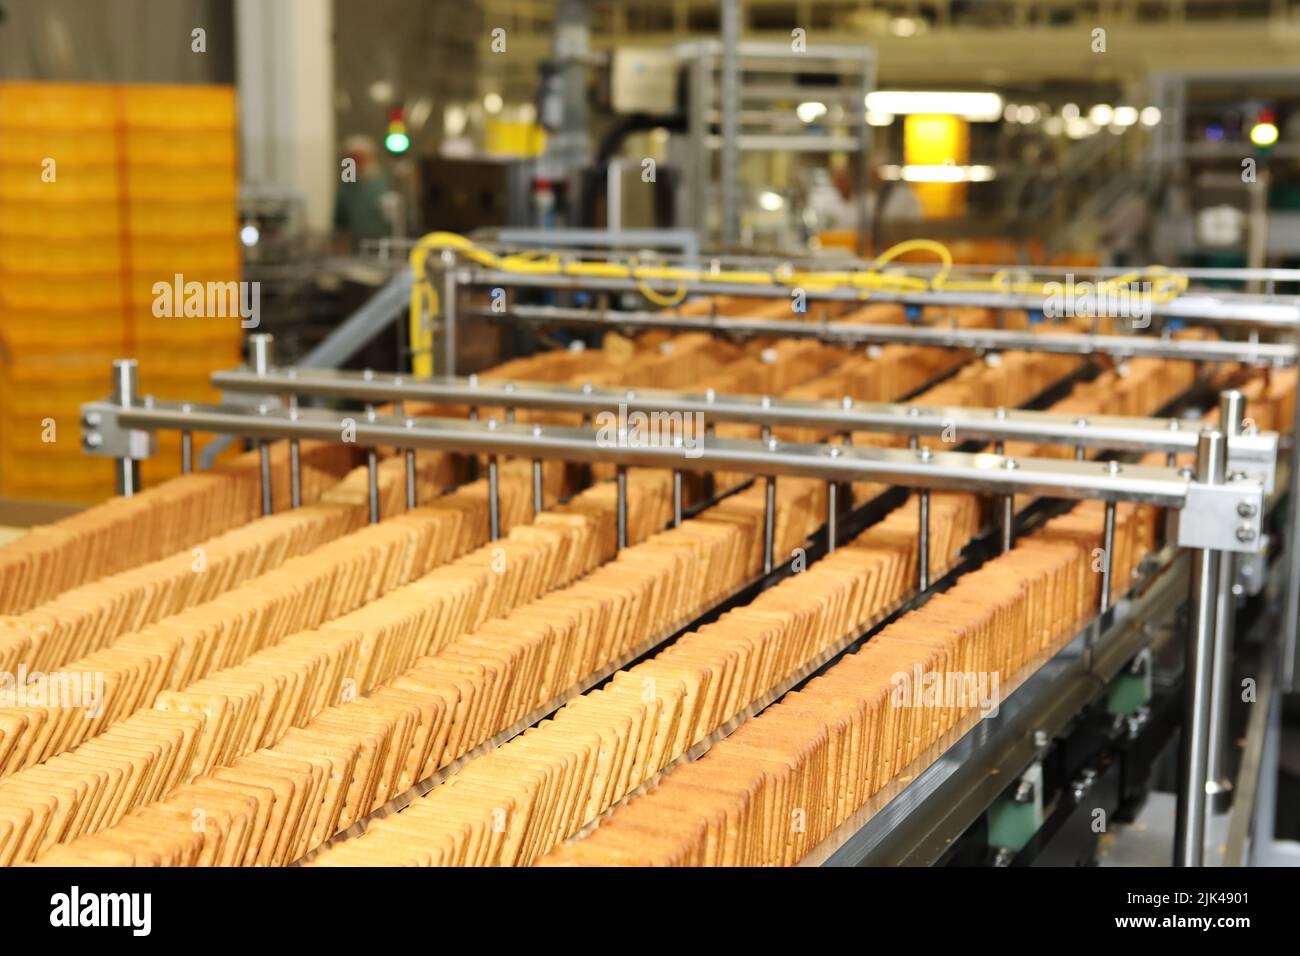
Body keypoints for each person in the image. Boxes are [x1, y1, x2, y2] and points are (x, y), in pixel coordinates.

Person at [334, 135, 393, 250]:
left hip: (383, 245)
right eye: (352, 159)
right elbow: (339, 221)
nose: (356, 163)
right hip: (355, 246)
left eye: (360, 158)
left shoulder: (384, 184)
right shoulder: (346, 187)